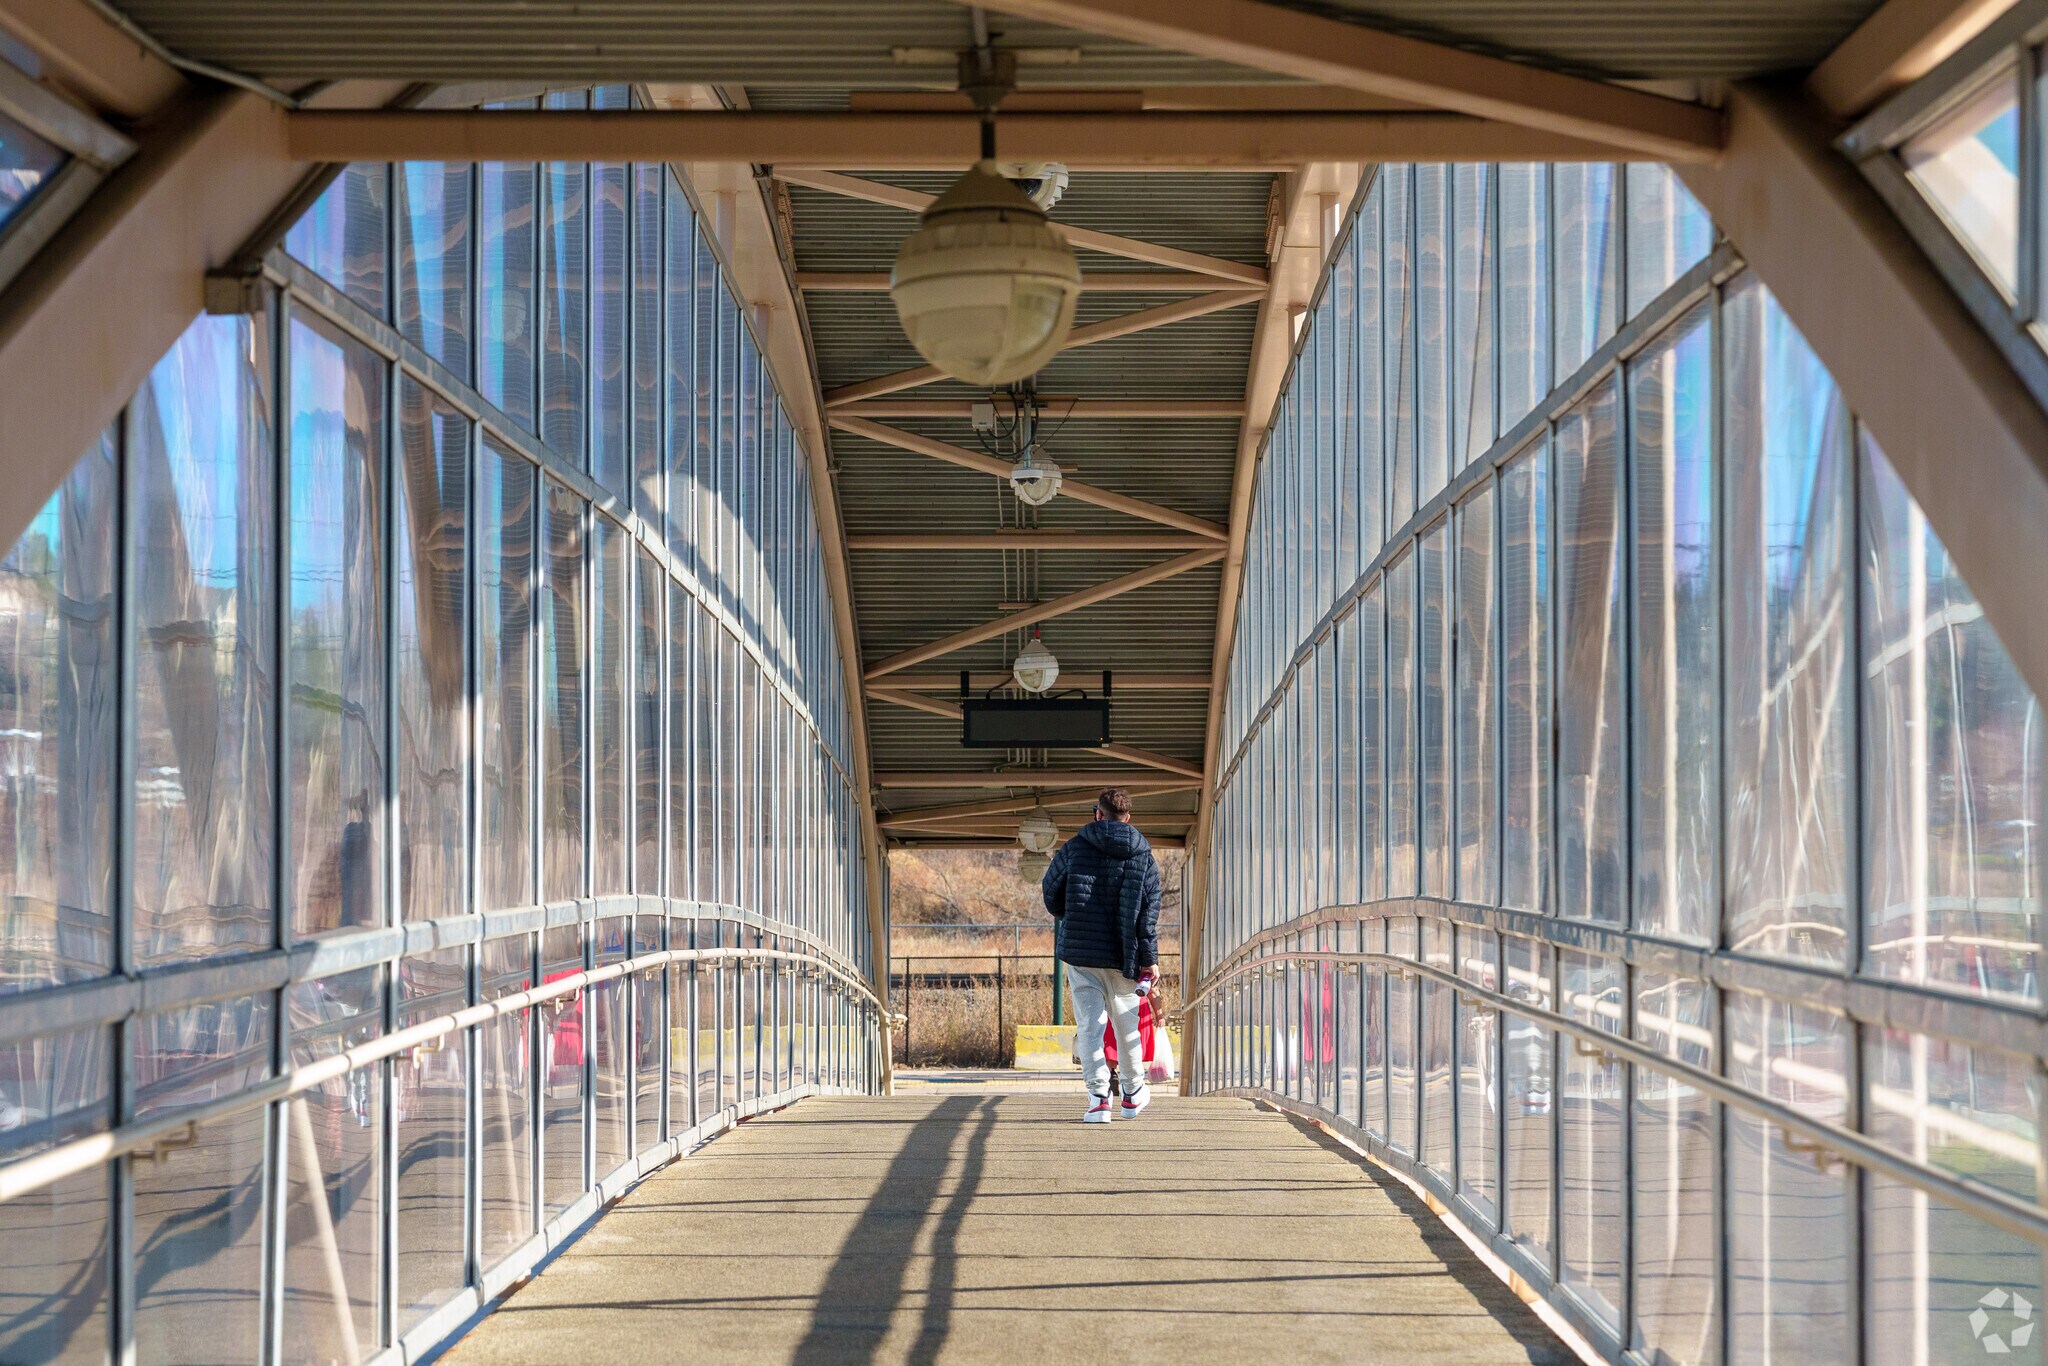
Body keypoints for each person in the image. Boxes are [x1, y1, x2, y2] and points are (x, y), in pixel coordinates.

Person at [1041, 787, 1162, 1123]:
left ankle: (1098, 1099)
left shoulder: (1074, 849)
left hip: (1082, 953)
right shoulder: (1143, 857)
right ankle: (1133, 1093)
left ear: (1098, 813)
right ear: (1128, 818)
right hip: (1126, 955)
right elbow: (1148, 916)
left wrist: (1074, 914)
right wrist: (1149, 959)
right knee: (1127, 1026)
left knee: (1090, 1026)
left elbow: (1051, 895)